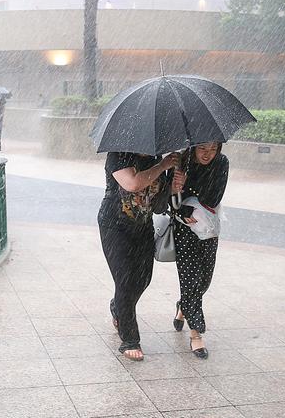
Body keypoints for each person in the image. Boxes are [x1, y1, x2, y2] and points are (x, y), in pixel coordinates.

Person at [97, 151, 179, 361]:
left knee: (143, 279)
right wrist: (162, 166)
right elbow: (132, 184)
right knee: (125, 281)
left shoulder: (155, 159)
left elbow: (159, 206)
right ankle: (130, 339)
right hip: (115, 226)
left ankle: (118, 307)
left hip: (143, 227)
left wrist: (172, 186)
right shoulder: (118, 155)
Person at [171, 142, 229, 359]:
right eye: (203, 148)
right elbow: (170, 199)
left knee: (204, 279)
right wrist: (177, 191)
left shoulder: (221, 163)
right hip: (184, 229)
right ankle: (196, 335)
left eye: (214, 148)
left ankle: (183, 306)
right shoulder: (180, 162)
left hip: (207, 227)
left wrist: (189, 183)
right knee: (191, 278)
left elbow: (213, 197)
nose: (208, 154)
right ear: (194, 146)